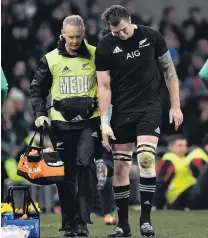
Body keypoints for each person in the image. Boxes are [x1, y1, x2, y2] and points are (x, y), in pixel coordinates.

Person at [95, 5, 183, 237]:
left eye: (123, 30)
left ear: (129, 20)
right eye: (115, 32)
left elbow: (169, 72)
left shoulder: (152, 37)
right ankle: (123, 224)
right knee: (121, 166)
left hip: (150, 107)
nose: (120, 35)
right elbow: (103, 87)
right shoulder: (105, 45)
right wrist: (105, 122)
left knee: (145, 157)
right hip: (122, 110)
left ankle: (145, 219)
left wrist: (175, 106)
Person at [30, 15, 100, 237]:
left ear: (83, 34)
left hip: (89, 122)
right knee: (65, 173)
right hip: (61, 124)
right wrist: (40, 114)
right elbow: (37, 90)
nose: (74, 41)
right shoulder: (50, 59)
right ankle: (69, 223)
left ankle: (82, 221)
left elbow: (107, 86)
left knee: (85, 165)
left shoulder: (96, 55)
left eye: (79, 37)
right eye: (70, 37)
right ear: (62, 34)